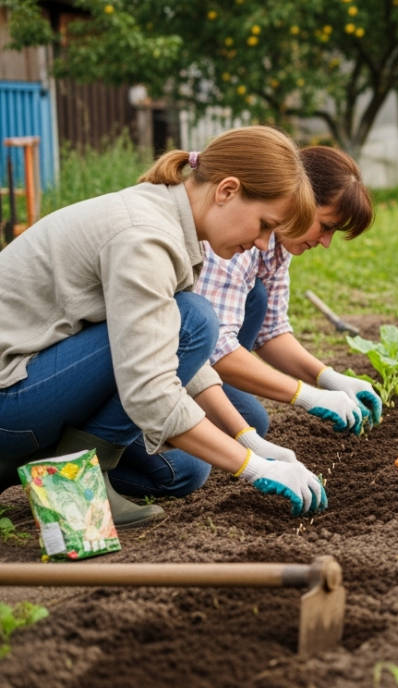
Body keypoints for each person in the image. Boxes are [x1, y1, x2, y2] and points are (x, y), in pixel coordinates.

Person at [0, 126, 329, 527]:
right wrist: (255, 468)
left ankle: (22, 463)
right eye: (264, 224)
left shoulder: (166, 218)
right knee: (193, 318)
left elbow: (165, 346)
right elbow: (150, 386)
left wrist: (246, 439)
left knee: (186, 469)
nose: (264, 244)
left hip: (32, 383)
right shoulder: (146, 237)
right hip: (10, 395)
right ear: (227, 190)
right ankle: (70, 486)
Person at [114, 147, 380, 489]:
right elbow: (214, 347)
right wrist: (306, 395)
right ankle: (106, 453)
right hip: (152, 365)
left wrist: (328, 379)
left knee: (251, 415)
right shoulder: (233, 238)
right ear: (299, 198)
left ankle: (189, 421)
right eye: (326, 226)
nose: (326, 242)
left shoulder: (275, 246)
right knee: (188, 469)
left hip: (180, 361)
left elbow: (271, 331)